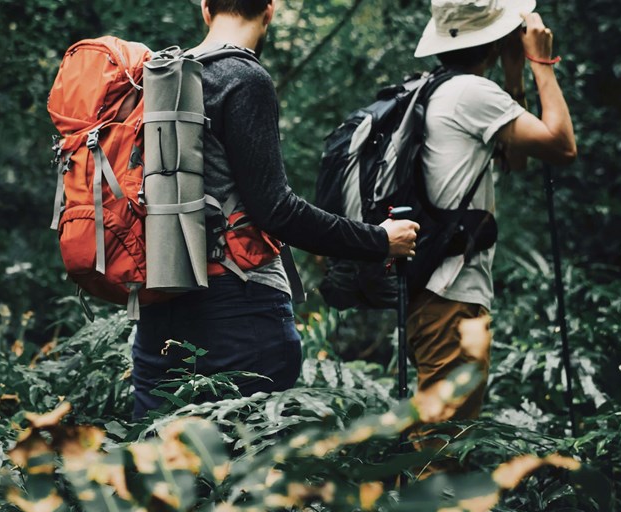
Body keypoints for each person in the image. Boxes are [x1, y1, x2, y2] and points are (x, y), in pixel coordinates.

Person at [130, 0, 420, 418]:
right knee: (247, 465)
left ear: (205, 8)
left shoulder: (158, 78)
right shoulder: (244, 78)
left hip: (160, 299)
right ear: (270, 9)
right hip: (239, 306)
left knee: (162, 464)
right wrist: (379, 240)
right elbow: (277, 209)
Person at [408, 0, 576, 419]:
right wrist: (541, 61)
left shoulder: (441, 88)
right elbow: (562, 145)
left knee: (441, 441)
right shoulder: (470, 92)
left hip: (436, 295)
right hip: (452, 296)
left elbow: (515, 159)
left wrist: (514, 72)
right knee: (443, 450)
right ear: (494, 38)